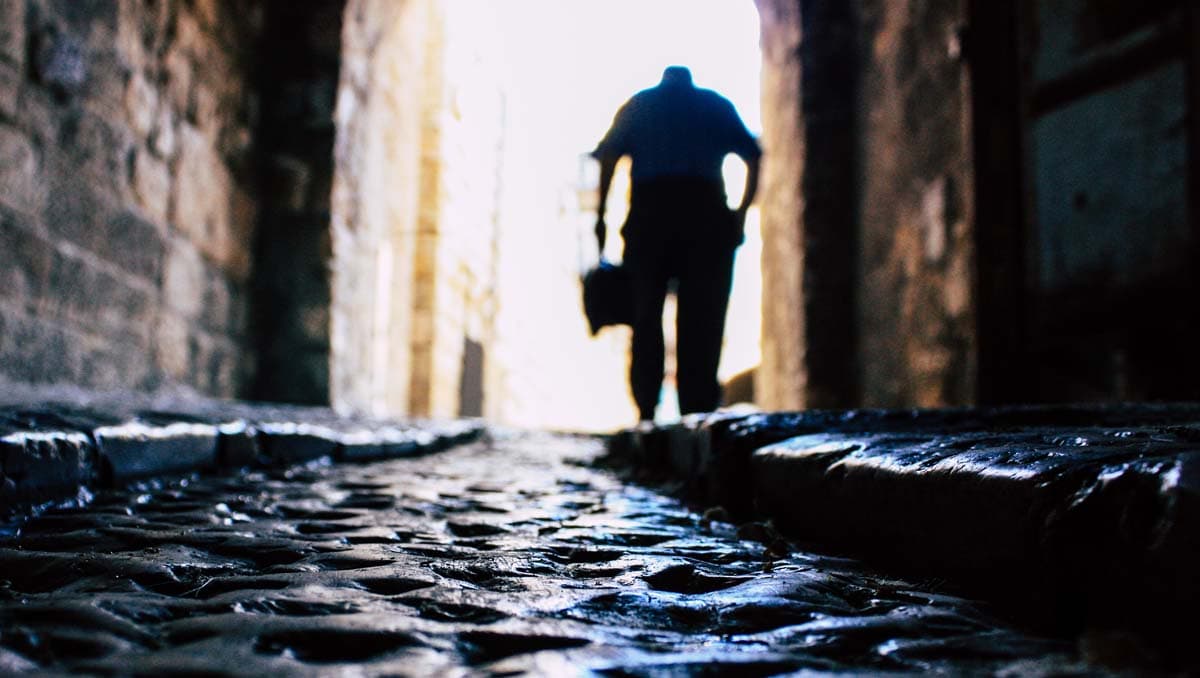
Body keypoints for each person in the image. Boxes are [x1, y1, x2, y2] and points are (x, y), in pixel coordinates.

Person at [592, 66, 761, 422]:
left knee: (646, 315)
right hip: (706, 219)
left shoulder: (639, 105)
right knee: (703, 318)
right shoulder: (715, 106)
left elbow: (609, 158)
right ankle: (696, 408)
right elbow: (753, 154)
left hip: (650, 220)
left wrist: (601, 218)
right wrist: (740, 215)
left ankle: (646, 409)